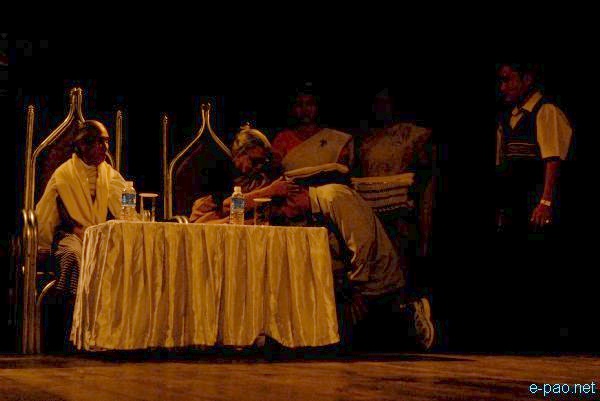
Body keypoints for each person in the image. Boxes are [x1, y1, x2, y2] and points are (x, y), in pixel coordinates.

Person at [190, 126, 435, 351]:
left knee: (358, 336)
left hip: (375, 283)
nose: (285, 214)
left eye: (283, 208)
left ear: (294, 195)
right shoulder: (312, 209)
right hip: (354, 284)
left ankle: (408, 312)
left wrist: (356, 291)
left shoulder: (335, 197)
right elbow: (228, 205)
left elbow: (363, 245)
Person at [35, 120, 126, 296]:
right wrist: (42, 246)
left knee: (125, 256)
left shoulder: (111, 175)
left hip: (100, 236)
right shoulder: (64, 174)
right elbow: (46, 214)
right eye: (99, 142)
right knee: (73, 255)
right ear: (83, 146)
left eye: (107, 141)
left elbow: (126, 211)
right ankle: (73, 304)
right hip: (69, 236)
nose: (105, 147)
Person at [495, 64, 573, 236]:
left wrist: (545, 202)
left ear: (527, 79)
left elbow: (553, 160)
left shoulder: (545, 110)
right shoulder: (509, 117)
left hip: (536, 210)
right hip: (516, 208)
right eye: (501, 81)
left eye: (507, 80)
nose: (503, 88)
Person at [271, 83, 354, 172]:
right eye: (299, 105)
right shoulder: (283, 138)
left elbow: (342, 169)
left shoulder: (334, 138)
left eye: (309, 104)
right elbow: (275, 168)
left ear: (317, 107)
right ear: (292, 109)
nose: (305, 109)